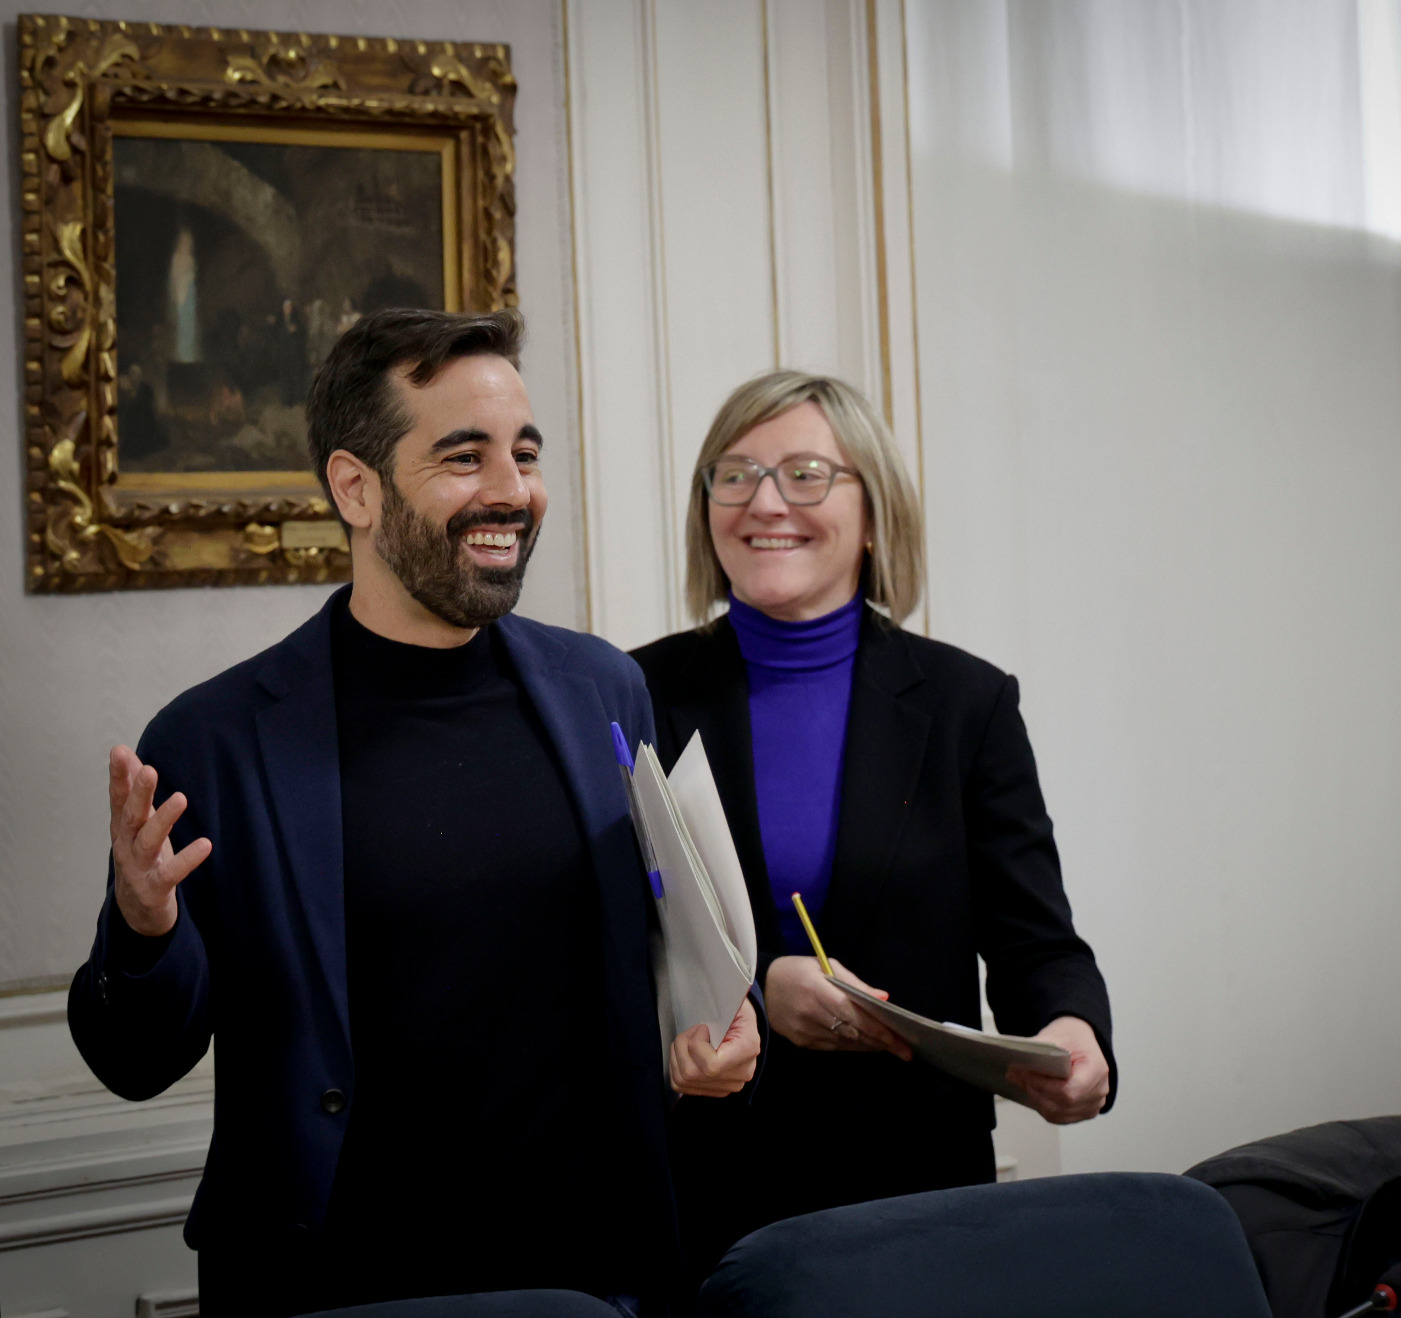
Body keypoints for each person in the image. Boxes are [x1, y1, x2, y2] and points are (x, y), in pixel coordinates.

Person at [68, 309, 761, 1317]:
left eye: (524, 454)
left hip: (592, 1273)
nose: (512, 492)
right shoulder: (216, 738)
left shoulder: (604, 690)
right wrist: (143, 931)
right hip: (335, 1285)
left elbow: (674, 950)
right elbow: (132, 1060)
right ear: (356, 487)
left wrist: (714, 1035)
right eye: (463, 456)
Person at [630, 371, 1115, 1276]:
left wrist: (1076, 1035)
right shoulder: (632, 694)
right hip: (712, 1190)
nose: (766, 501)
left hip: (917, 1189)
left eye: (807, 473)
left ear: (874, 507)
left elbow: (1035, 941)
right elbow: (605, 947)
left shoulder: (967, 703)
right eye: (732, 475)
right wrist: (754, 994)